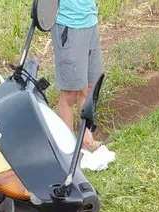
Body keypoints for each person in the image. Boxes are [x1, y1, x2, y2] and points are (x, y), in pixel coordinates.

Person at [52, 0, 103, 150]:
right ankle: (68, 149)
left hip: (90, 21)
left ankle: (86, 140)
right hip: (68, 24)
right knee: (69, 93)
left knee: (88, 87)